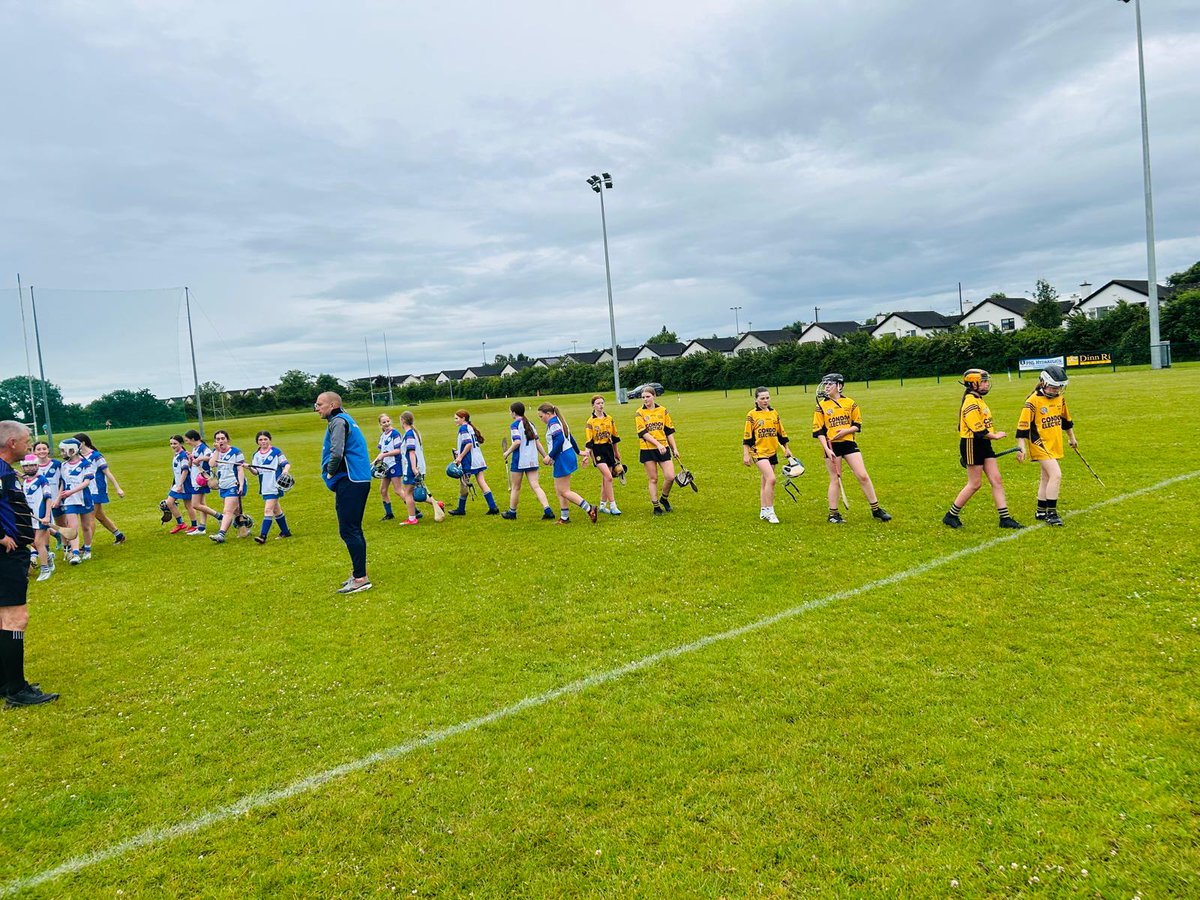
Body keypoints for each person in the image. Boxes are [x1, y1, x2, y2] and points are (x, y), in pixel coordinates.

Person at [0, 420, 59, 707]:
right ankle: (17, 691)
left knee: (3, 619)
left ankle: (6, 682)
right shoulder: (0, 471)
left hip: (12, 553)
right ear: (12, 443)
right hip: (6, 555)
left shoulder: (5, 471)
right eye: (26, 440)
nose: (29, 444)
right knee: (16, 619)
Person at [944, 369, 1024, 529]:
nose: (987, 384)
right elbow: (978, 429)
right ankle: (951, 515)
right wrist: (995, 436)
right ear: (973, 384)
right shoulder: (970, 402)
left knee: (997, 480)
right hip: (972, 443)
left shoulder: (978, 400)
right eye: (984, 381)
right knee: (975, 484)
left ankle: (1005, 518)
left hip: (984, 443)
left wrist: (991, 437)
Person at [811, 374, 891, 525]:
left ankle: (876, 509)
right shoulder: (821, 406)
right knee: (835, 479)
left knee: (863, 475)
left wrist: (845, 431)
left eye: (830, 384)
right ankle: (833, 514)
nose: (826, 387)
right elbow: (819, 431)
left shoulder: (850, 403)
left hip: (848, 443)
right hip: (831, 446)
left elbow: (857, 425)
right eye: (825, 384)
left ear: (839, 386)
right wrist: (826, 449)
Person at [316, 391, 373, 593]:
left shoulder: (338, 421)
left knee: (349, 529)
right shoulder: (346, 418)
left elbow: (337, 451)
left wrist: (330, 472)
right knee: (352, 528)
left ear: (332, 405)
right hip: (357, 480)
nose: (317, 408)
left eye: (320, 404)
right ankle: (359, 573)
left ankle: (360, 578)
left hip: (351, 480)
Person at [1016, 364, 1077, 527]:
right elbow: (1022, 427)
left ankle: (1041, 510)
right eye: (1053, 387)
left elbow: (1066, 420)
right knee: (1056, 475)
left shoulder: (1060, 399)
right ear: (1042, 382)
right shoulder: (1032, 401)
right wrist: (1021, 446)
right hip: (1039, 444)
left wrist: (1072, 438)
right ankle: (1052, 513)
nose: (1056, 391)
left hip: (1054, 443)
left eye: (1059, 388)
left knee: (1046, 478)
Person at [742, 386, 799, 524]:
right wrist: (746, 454)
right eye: (762, 398)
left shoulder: (774, 413)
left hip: (772, 451)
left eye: (767, 398)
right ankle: (770, 511)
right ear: (756, 400)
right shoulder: (752, 415)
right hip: (758, 452)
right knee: (771, 479)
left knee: (765, 482)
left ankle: (763, 510)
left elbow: (781, 433)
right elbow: (747, 437)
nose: (765, 400)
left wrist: (787, 448)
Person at [537, 402, 597, 524]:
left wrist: (550, 456)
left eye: (541, 416)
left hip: (562, 457)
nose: (541, 419)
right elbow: (570, 437)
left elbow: (559, 440)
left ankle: (590, 509)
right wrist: (578, 451)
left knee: (564, 491)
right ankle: (564, 517)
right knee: (559, 489)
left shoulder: (553, 423)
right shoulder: (559, 420)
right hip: (567, 454)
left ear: (548, 414)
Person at [501, 401, 554, 520]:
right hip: (532, 459)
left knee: (515, 487)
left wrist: (507, 452)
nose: (510, 413)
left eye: (510, 411)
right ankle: (547, 510)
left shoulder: (514, 425)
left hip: (519, 460)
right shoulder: (531, 424)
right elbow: (537, 442)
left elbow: (517, 442)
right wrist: (545, 456)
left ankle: (512, 512)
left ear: (514, 413)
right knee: (536, 486)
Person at [634, 386, 681, 515]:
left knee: (670, 476)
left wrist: (674, 448)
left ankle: (664, 499)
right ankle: (656, 506)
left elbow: (669, 431)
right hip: (647, 449)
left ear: (654, 396)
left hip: (663, 447)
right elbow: (643, 433)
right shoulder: (639, 413)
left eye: (647, 396)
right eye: (643, 397)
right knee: (653, 478)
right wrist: (657, 444)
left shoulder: (663, 411)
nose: (645, 399)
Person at [73, 433, 125, 546]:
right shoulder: (78, 457)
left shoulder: (96, 456)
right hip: (86, 490)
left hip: (96, 490)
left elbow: (107, 472)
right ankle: (119, 535)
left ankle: (86, 545)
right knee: (100, 516)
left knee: (90, 517)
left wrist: (118, 488)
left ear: (82, 443)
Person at [449, 409, 499, 516]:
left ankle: (461, 509)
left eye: (456, 418)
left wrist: (460, 457)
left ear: (463, 419)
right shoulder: (469, 427)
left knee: (463, 483)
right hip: (478, 459)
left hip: (469, 460)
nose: (455, 420)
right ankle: (493, 507)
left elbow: (468, 444)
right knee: (481, 481)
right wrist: (458, 451)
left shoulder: (463, 428)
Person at [53, 438, 93, 564]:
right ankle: (75, 553)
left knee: (86, 526)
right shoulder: (63, 465)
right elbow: (62, 484)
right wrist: (59, 498)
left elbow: (86, 482)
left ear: (73, 450)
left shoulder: (85, 464)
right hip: (69, 500)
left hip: (83, 499)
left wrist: (72, 491)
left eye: (64, 450)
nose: (62, 453)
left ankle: (87, 549)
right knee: (72, 527)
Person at [582, 394, 623, 515]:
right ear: (593, 405)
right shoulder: (591, 422)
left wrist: (616, 452)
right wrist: (586, 455)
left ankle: (602, 505)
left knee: (606, 478)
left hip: (608, 449)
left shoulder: (609, 418)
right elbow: (589, 441)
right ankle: (613, 505)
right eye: (598, 403)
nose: (600, 405)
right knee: (609, 477)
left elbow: (615, 437)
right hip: (597, 450)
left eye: (602, 403)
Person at [250, 430, 293, 543]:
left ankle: (263, 536)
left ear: (269, 440)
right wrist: (249, 468)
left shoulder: (276, 452)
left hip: (274, 485)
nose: (263, 441)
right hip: (264, 485)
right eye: (260, 439)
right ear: (257, 442)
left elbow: (286, 464)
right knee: (276, 509)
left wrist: (285, 471)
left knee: (268, 509)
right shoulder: (256, 455)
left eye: (265, 439)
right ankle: (285, 532)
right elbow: (256, 472)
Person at [21, 454, 58, 581]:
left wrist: (47, 515)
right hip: (31, 517)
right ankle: (48, 558)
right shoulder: (25, 482)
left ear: (37, 466)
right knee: (31, 541)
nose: (30, 468)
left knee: (38, 542)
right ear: (23, 468)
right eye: (27, 466)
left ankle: (45, 569)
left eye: (33, 465)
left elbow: (48, 498)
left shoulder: (42, 480)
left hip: (42, 516)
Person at [207, 430, 248, 544]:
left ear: (227, 440)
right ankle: (244, 524)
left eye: (222, 438)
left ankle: (221, 534)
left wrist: (241, 484)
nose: (220, 441)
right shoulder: (216, 452)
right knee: (236, 510)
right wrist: (216, 450)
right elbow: (211, 464)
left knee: (227, 511)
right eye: (218, 439)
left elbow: (240, 469)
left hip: (234, 484)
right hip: (223, 485)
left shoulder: (235, 452)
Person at [184, 429, 221, 535]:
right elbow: (192, 464)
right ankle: (202, 528)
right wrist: (190, 457)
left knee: (195, 504)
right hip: (195, 479)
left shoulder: (203, 448)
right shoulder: (195, 448)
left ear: (192, 439)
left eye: (187, 440)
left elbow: (210, 457)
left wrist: (199, 459)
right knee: (202, 504)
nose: (187, 442)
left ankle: (219, 516)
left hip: (200, 480)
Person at [396, 411, 426, 526]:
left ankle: (412, 518)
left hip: (411, 467)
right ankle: (437, 504)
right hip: (416, 466)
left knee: (408, 493)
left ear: (403, 420)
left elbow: (411, 452)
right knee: (412, 491)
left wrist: (413, 468)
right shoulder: (413, 432)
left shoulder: (409, 434)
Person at [373, 413, 405, 521]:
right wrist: (374, 462)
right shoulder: (383, 436)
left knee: (398, 490)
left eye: (387, 421)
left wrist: (384, 455)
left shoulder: (395, 434)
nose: (386, 423)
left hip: (394, 464)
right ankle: (389, 514)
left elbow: (398, 450)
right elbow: (381, 452)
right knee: (382, 490)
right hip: (385, 466)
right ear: (380, 424)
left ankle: (414, 510)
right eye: (384, 422)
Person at [163, 435, 194, 534]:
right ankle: (181, 524)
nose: (173, 445)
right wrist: (174, 484)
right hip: (177, 484)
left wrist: (180, 484)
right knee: (169, 502)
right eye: (171, 444)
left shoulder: (182, 455)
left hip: (184, 484)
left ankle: (194, 525)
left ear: (181, 444)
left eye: (175, 443)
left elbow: (185, 470)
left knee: (188, 505)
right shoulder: (177, 454)